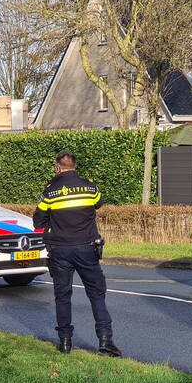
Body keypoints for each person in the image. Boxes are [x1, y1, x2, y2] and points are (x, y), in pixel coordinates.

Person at [33, 151, 120, 357]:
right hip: (87, 248)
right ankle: (106, 342)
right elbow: (98, 203)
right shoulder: (90, 187)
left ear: (58, 167)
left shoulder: (50, 191)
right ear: (75, 166)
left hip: (60, 250)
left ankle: (65, 343)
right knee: (97, 295)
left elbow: (38, 221)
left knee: (62, 296)